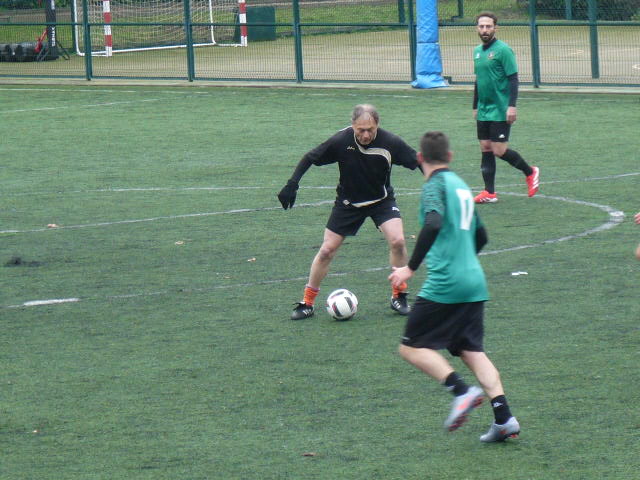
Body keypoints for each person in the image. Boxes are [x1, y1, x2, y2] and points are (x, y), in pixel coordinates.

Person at [388, 131, 520, 442]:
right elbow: (481, 236)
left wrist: (409, 268)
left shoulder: (434, 186)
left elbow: (433, 222)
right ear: (450, 156)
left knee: (411, 347)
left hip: (446, 282)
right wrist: (464, 260)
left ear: (420, 158)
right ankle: (504, 418)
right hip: (474, 280)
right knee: (471, 350)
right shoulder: (461, 185)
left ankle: (461, 392)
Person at [277, 104, 422, 320]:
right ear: (353, 125)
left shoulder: (390, 142)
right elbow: (310, 157)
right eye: (361, 130)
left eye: (370, 129)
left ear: (377, 124)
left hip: (381, 201)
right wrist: (292, 184)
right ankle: (307, 303)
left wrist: (437, 184)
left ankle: (399, 296)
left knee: (398, 241)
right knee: (326, 251)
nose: (366, 135)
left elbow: (419, 160)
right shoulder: (341, 140)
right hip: (348, 203)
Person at [472, 11, 539, 204]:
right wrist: (475, 105)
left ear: (495, 28)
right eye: (482, 26)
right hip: (484, 109)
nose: (485, 30)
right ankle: (489, 193)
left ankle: (530, 172)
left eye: (488, 26)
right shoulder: (477, 51)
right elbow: (478, 80)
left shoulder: (503, 50)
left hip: (500, 109)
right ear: (477, 28)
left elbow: (513, 79)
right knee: (485, 147)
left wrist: (512, 106)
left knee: (499, 150)